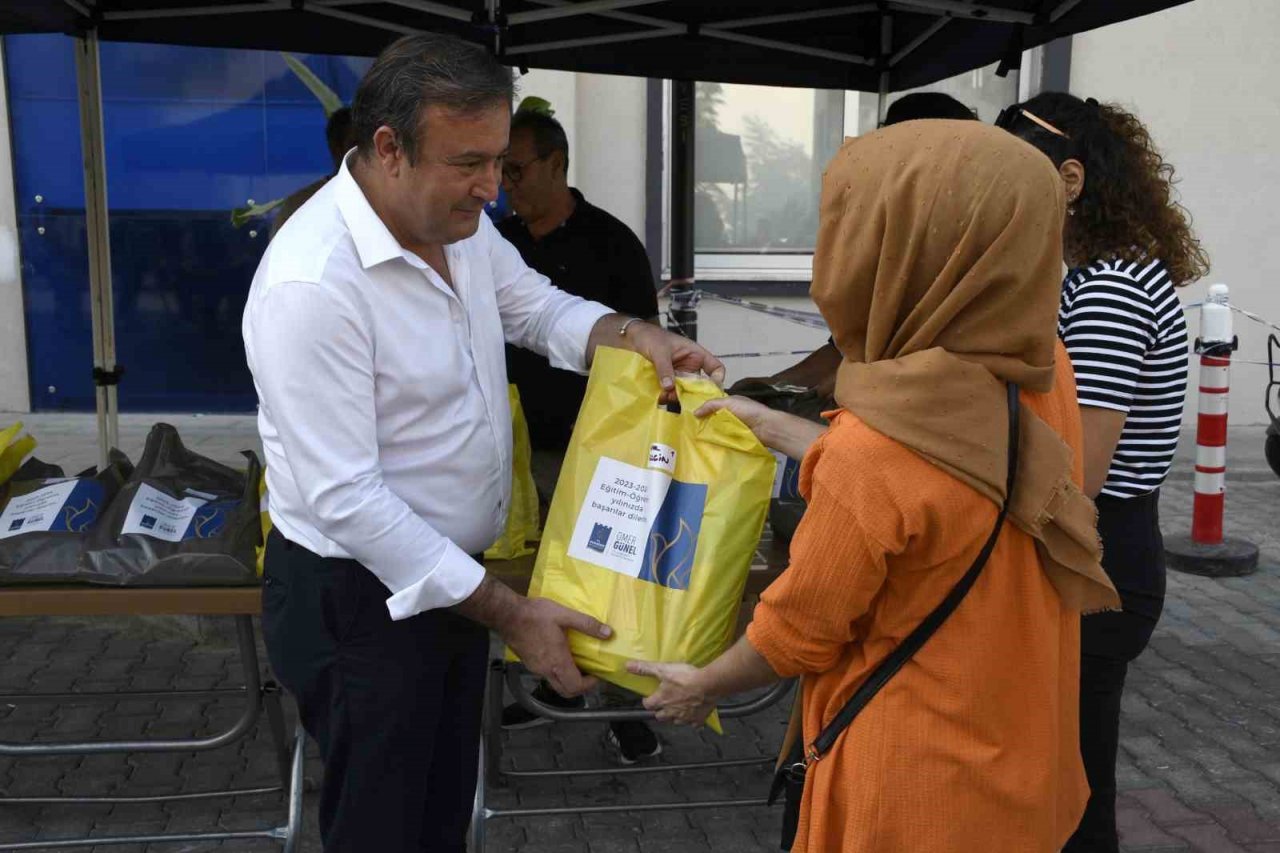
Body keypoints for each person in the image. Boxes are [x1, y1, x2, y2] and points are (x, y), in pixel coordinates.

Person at [242, 33, 724, 853]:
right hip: (358, 601)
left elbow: (533, 307)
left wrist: (627, 331)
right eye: (470, 163)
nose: (494, 189)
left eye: (501, 160)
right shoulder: (311, 285)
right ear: (388, 148)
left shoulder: (457, 225)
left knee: (441, 815)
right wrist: (511, 612)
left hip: (450, 590)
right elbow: (348, 500)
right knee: (382, 828)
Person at [630, 121, 1121, 852]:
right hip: (1021, 767)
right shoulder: (1041, 365)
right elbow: (947, 487)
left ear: (902, 249)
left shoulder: (883, 440)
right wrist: (770, 425)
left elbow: (793, 633)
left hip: (912, 794)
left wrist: (700, 683)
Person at [999, 92, 1206, 853]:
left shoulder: (1112, 285)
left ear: (1072, 180)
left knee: (1074, 793)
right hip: (1100, 547)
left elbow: (1075, 471)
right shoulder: (1091, 274)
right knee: (1065, 776)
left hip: (1101, 553)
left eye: (1008, 177)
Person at [495, 107, 664, 763]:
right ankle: (553, 686)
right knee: (530, 575)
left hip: (599, 449)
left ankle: (626, 709)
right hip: (517, 448)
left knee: (608, 582)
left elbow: (642, 345)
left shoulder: (612, 242)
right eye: (498, 169)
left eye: (516, 168)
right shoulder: (498, 242)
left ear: (557, 163)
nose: (507, 184)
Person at [732, 91, 978, 397]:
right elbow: (848, 348)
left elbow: (932, 370)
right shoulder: (897, 232)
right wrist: (775, 385)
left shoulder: (968, 243)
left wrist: (842, 387)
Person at [272, 106, 357, 236]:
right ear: (336, 148)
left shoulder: (384, 202)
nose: (366, 152)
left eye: (369, 145)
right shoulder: (299, 207)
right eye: (355, 145)